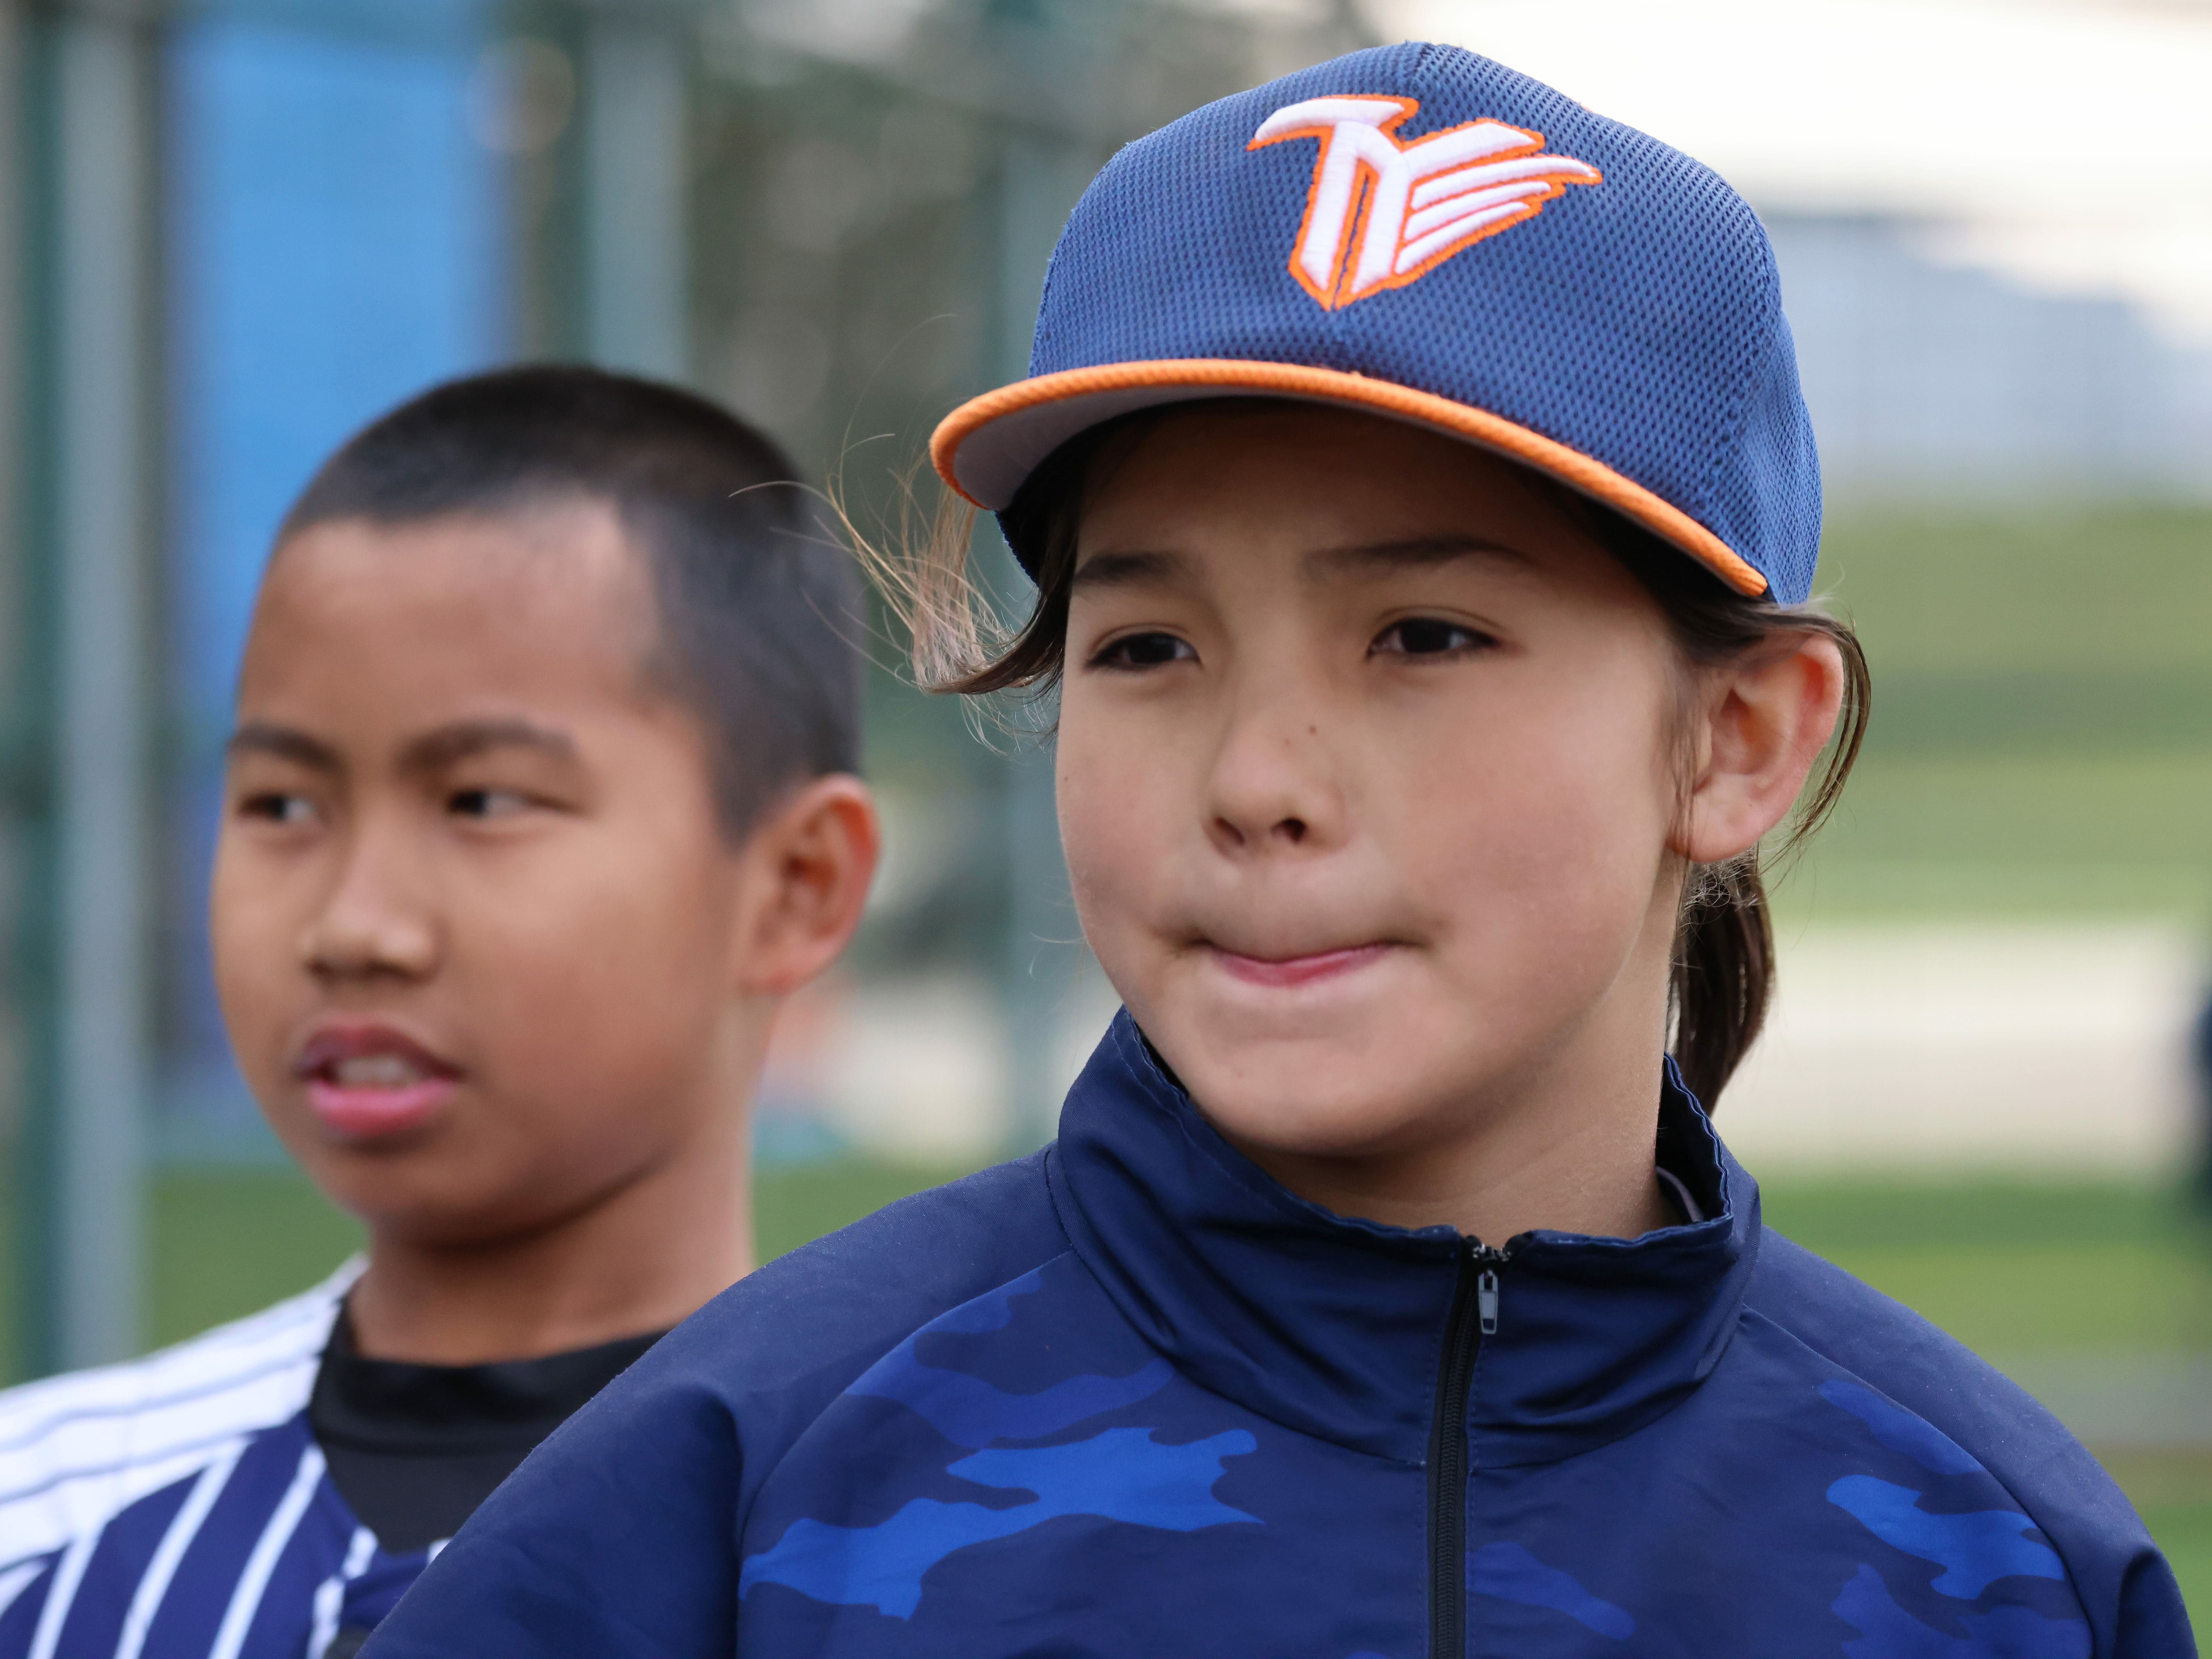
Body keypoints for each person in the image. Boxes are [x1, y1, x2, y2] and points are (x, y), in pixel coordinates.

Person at [370, 45, 2193, 1658]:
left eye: (1423, 636)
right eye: (1148, 646)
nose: (1254, 778)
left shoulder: (1999, 1569)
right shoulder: (728, 1494)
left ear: (1735, 741)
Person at [0, 367, 879, 1657]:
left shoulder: (968, 1539)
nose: (355, 926)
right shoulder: (42, 1522)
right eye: (283, 806)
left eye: (483, 802)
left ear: (797, 885)